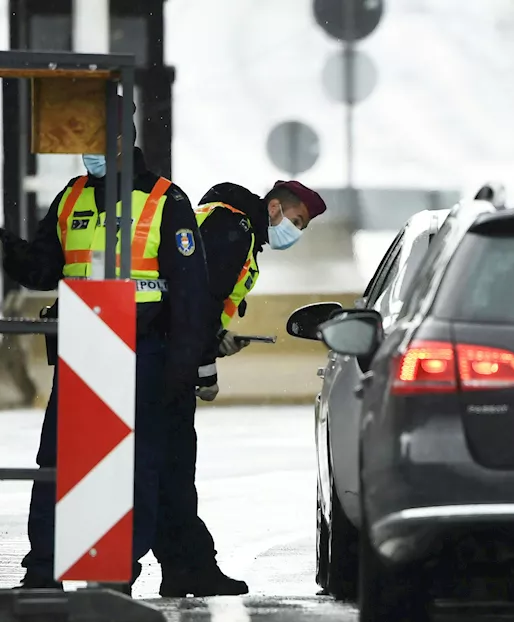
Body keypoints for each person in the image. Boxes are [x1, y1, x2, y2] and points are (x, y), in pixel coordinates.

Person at [2, 112, 213, 591]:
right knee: (57, 464)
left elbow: (190, 292)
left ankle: (116, 576)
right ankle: (43, 572)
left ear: (122, 140)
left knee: (134, 468)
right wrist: (4, 245)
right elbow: (41, 269)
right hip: (84, 348)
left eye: (93, 139)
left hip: (145, 352)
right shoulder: (72, 195)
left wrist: (182, 367)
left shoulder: (165, 199)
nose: (85, 150)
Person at [151, 179, 326, 597]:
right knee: (171, 470)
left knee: (166, 471)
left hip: (163, 353)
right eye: (296, 221)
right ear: (276, 209)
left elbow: (195, 301)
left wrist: (215, 340)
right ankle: (189, 568)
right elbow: (198, 302)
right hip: (169, 361)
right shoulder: (234, 230)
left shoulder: (221, 221)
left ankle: (182, 568)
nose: (295, 233)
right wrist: (205, 368)